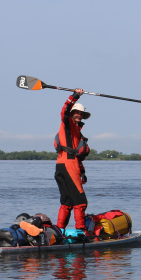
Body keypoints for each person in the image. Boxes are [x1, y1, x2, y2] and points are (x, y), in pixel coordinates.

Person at [54, 88, 91, 233]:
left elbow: (77, 154)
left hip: (62, 166)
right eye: (77, 112)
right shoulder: (67, 123)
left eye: (81, 114)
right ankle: (81, 231)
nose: (79, 115)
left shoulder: (77, 132)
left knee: (67, 201)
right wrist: (75, 96)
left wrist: (82, 172)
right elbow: (64, 110)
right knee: (81, 201)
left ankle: (59, 231)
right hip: (68, 165)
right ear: (72, 113)